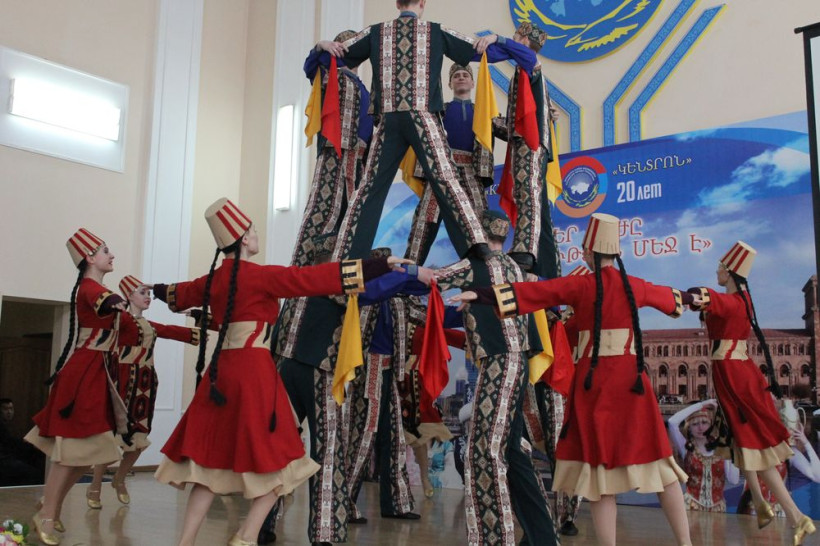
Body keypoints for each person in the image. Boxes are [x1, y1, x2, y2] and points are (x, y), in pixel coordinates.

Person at [150, 198, 410, 546]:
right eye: (254, 231)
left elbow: (177, 295)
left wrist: (154, 290)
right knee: (285, 461)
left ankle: (186, 543)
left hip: (220, 374)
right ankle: (245, 536)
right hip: (254, 375)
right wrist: (377, 265)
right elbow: (313, 279)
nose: (257, 235)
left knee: (206, 466)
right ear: (244, 239)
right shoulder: (261, 276)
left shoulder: (211, 280)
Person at [451, 213, 694, 546]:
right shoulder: (635, 285)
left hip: (597, 385)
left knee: (600, 477)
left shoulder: (582, 285)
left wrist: (483, 295)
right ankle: (686, 543)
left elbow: (538, 292)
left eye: (584, 249)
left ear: (591, 252)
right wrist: (694, 298)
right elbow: (673, 300)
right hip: (633, 385)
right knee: (662, 466)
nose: (582, 254)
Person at [319, 0, 511, 262]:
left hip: (388, 119)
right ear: (422, 3)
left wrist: (320, 46)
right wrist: (504, 42)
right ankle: (477, 246)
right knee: (447, 179)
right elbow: (481, 50)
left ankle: (346, 258)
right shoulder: (435, 31)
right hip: (423, 117)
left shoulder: (376, 32)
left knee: (369, 188)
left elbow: (331, 55)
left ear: (397, 3)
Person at [435, 210, 556, 546]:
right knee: (514, 452)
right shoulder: (516, 268)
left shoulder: (474, 264)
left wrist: (384, 273)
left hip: (498, 363)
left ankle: (494, 537)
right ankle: (543, 537)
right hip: (519, 364)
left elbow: (432, 279)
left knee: (485, 451)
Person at [688, 241, 816, 544]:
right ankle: (760, 503)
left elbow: (699, 297)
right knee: (741, 443)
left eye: (720, 267)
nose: (717, 272)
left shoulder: (732, 302)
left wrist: (677, 297)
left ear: (730, 271)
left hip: (736, 379)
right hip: (732, 376)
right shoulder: (741, 300)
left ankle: (797, 517)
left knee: (753, 446)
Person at [25, 229, 128, 546]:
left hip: (97, 374)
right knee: (69, 454)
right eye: (105, 250)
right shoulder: (90, 288)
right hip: (84, 375)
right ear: (90, 258)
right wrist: (121, 300)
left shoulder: (96, 288)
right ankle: (47, 514)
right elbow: (107, 301)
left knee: (86, 455)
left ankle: (49, 505)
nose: (112, 255)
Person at [86, 275, 200, 509]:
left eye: (148, 293)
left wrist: (198, 324)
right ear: (129, 296)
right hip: (123, 382)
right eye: (142, 293)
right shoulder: (121, 319)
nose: (147, 297)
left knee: (139, 437)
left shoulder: (148, 325)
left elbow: (169, 330)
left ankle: (119, 479)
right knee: (113, 438)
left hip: (145, 383)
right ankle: (95, 486)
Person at [344, 247, 433, 524]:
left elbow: (431, 316)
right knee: (362, 436)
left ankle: (396, 502)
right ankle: (342, 503)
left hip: (390, 371)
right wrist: (409, 273)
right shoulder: (362, 292)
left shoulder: (397, 299)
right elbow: (379, 289)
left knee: (394, 437)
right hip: (367, 369)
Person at [493, 21, 560, 278]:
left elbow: (526, 120)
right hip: (527, 142)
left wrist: (497, 39)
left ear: (523, 39)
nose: (512, 38)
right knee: (535, 202)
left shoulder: (530, 64)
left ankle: (525, 251)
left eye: (515, 36)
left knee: (527, 193)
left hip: (530, 143)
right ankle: (548, 266)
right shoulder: (526, 71)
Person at [668, 400, 741, 512]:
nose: (700, 428)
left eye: (704, 422)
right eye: (695, 424)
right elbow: (672, 422)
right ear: (689, 427)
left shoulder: (721, 447)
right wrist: (701, 404)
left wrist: (731, 450)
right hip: (691, 506)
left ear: (711, 425)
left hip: (718, 509)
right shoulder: (686, 447)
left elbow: (734, 480)